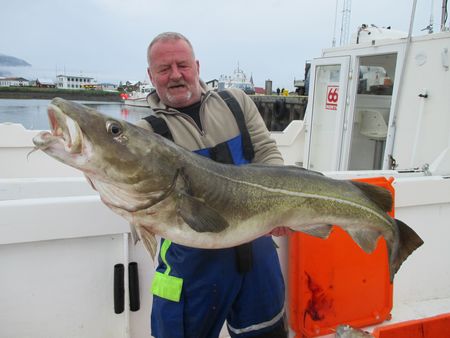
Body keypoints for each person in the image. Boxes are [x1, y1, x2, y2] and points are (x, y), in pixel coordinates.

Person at [136, 32, 288, 338]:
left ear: (197, 66)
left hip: (256, 248)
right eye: (164, 69)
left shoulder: (236, 102)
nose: (176, 75)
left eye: (183, 65)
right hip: (189, 263)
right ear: (151, 76)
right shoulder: (146, 135)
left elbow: (267, 152)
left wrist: (279, 206)